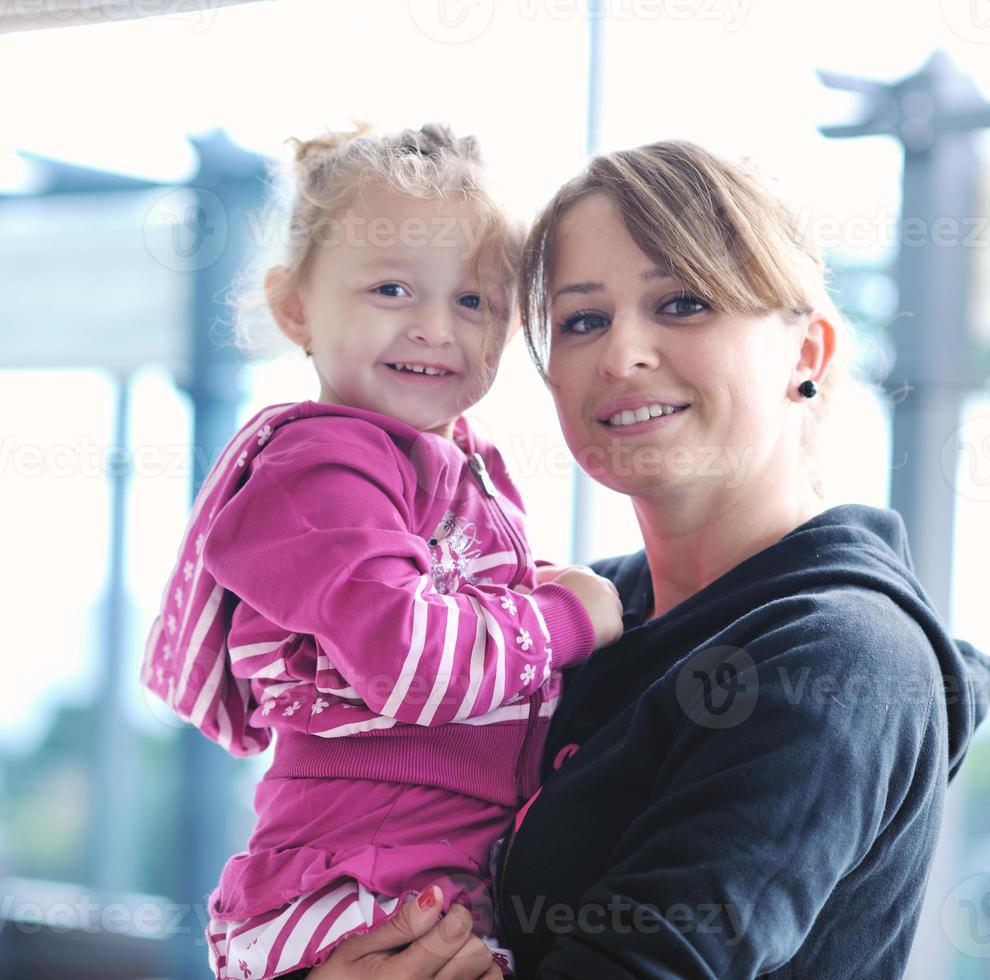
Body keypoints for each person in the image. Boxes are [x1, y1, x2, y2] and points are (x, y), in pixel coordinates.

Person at [308, 139, 990, 979]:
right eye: (583, 320)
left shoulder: (838, 656)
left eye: (682, 304)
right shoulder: (579, 611)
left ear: (806, 354)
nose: (622, 355)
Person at [139, 121, 622, 980]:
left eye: (473, 301)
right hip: (356, 890)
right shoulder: (322, 466)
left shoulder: (434, 464)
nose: (437, 327)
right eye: (393, 289)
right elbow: (413, 664)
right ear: (294, 308)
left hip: (409, 878)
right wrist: (563, 617)